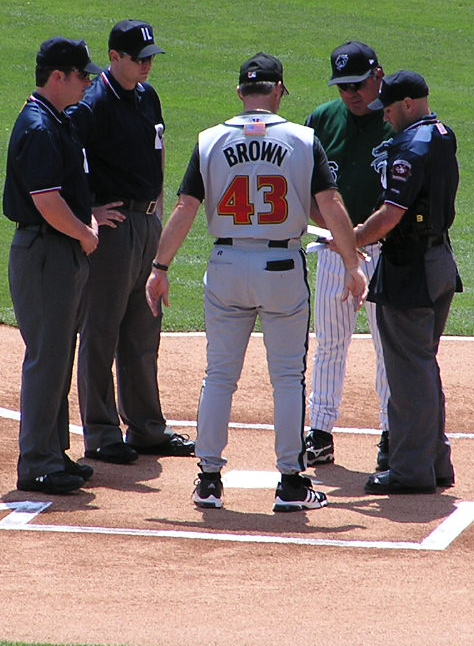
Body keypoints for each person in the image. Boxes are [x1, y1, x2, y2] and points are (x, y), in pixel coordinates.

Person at [145, 53, 367, 513]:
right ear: (279, 89)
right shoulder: (304, 139)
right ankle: (290, 483)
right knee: (288, 378)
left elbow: (186, 208)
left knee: (219, 376)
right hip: (281, 268)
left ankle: (207, 480)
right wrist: (352, 260)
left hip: (226, 264)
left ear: (240, 93)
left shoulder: (210, 140)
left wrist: (160, 268)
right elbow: (330, 202)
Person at [67, 20, 194, 465]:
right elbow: (62, 156)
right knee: (101, 329)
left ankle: (146, 427)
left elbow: (158, 150)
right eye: (138, 58)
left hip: (146, 225)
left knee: (143, 327)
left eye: (150, 57)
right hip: (114, 230)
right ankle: (101, 432)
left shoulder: (147, 96)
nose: (146, 65)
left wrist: (158, 209)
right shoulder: (93, 102)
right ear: (115, 57)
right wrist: (87, 214)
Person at [3, 37, 117, 495]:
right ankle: (36, 463)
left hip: (59, 249)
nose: (89, 81)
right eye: (81, 75)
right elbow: (47, 202)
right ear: (57, 77)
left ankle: (54, 452)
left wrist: (86, 219)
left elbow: (69, 192)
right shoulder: (39, 128)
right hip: (45, 251)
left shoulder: (58, 121)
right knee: (46, 359)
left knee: (57, 357)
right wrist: (86, 232)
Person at [351, 70, 462, 494]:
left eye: (391, 109)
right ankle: (435, 463)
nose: (386, 118)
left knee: (407, 372)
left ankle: (411, 470)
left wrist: (354, 239)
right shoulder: (442, 134)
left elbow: (392, 213)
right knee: (423, 364)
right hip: (438, 261)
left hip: (409, 267)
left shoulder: (411, 145)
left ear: (410, 104)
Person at [303, 41, 395, 472]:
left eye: (357, 84)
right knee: (330, 344)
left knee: (386, 346)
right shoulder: (322, 119)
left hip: (387, 252)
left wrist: (359, 237)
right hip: (335, 253)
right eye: (343, 87)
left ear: (378, 75)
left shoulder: (396, 119)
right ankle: (319, 433)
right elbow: (303, 190)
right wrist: (342, 240)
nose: (350, 94)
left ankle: (392, 434)